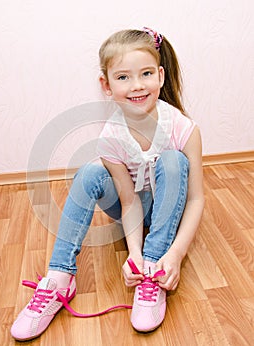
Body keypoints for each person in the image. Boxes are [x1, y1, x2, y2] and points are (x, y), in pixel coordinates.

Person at [11, 27, 204, 340]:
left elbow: (196, 200)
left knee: (173, 160)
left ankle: (153, 273)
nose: (137, 85)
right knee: (89, 171)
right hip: (136, 209)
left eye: (145, 74)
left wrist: (175, 255)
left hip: (170, 208)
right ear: (107, 84)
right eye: (123, 77)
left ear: (161, 75)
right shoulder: (111, 137)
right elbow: (128, 202)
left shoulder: (184, 128)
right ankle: (59, 278)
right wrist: (133, 255)